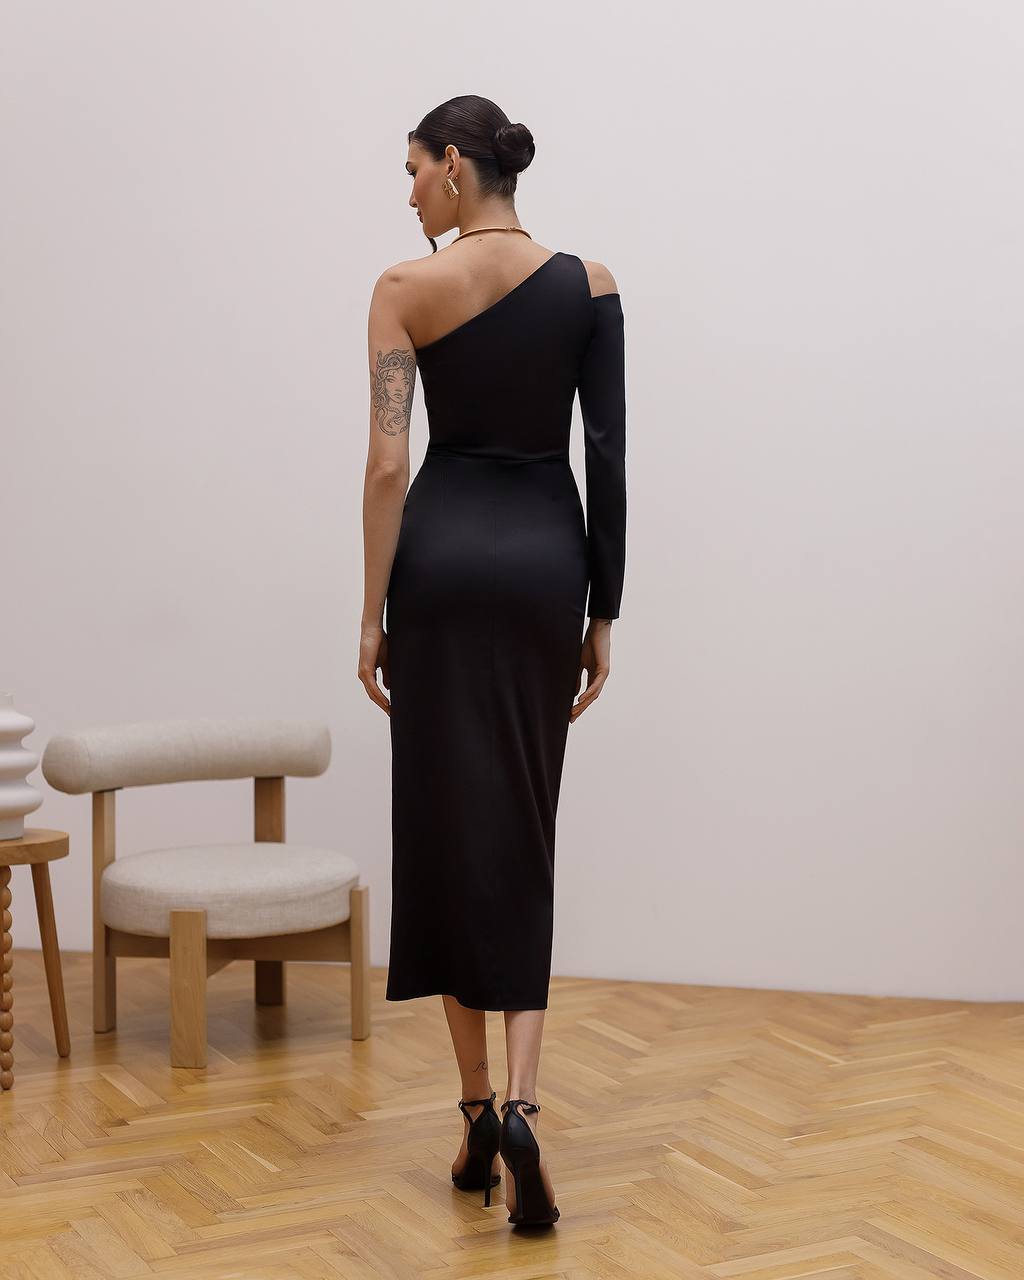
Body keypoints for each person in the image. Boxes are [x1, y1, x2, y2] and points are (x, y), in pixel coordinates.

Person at [358, 94, 627, 1228]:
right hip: (538, 573)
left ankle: (471, 1110)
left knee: (438, 826)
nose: (407, 189)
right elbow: (606, 453)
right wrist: (600, 608)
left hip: (439, 569)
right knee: (521, 823)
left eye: (414, 168)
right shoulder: (592, 286)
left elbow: (384, 464)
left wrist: (369, 611)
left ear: (457, 169)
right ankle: (522, 1102)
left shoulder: (402, 290)